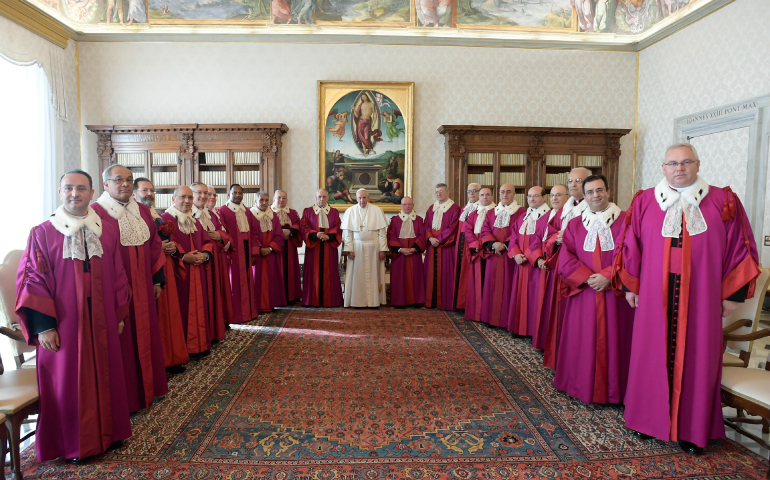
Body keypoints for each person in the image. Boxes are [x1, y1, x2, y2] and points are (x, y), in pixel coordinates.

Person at [614, 143, 760, 455]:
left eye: (686, 162)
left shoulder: (724, 200)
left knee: (698, 359)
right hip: (654, 297)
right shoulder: (644, 201)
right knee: (649, 354)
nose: (679, 168)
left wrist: (732, 295)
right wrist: (631, 285)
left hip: (702, 298)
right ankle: (645, 421)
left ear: (697, 164)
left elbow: (739, 248)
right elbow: (630, 246)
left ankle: (693, 432)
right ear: (663, 168)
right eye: (672, 163)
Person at [15, 170, 131, 463]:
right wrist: (44, 327)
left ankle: (110, 433)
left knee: (106, 372)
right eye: (68, 188)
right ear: (59, 192)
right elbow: (32, 281)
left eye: (81, 189)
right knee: (70, 381)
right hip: (64, 324)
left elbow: (118, 274)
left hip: (102, 318)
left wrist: (118, 313)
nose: (74, 194)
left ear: (92, 193)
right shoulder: (42, 232)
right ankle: (74, 445)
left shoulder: (106, 229)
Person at [92, 165, 168, 413]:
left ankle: (148, 388)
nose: (124, 184)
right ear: (105, 184)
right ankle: (127, 398)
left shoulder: (143, 212)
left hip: (144, 284)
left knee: (146, 333)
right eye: (118, 180)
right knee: (123, 342)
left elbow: (155, 245)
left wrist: (157, 280)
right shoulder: (96, 213)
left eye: (128, 180)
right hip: (116, 290)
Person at [554, 174, 633, 406]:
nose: (595, 195)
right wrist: (589, 278)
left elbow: (633, 253)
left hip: (616, 295)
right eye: (589, 192)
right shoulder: (575, 224)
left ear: (608, 191)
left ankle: (617, 391)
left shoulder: (626, 221)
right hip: (585, 293)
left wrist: (608, 276)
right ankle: (581, 385)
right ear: (583, 195)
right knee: (584, 340)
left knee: (617, 340)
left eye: (599, 190)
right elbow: (566, 258)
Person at [134, 177, 189, 372]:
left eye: (151, 190)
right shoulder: (133, 217)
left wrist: (171, 248)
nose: (149, 194)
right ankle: (159, 363)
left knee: (167, 314)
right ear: (134, 194)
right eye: (144, 190)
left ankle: (170, 357)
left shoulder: (156, 215)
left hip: (164, 269)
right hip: (147, 272)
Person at [542, 169, 590, 369]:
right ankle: (561, 356)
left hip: (584, 268)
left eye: (579, 180)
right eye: (570, 181)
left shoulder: (595, 206)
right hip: (563, 266)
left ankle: (579, 360)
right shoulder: (564, 209)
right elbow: (549, 237)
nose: (573, 184)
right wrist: (557, 239)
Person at [162, 186, 213, 355]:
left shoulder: (195, 220)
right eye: (182, 197)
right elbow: (167, 245)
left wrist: (204, 255)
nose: (187, 201)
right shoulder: (165, 220)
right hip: (179, 273)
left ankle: (199, 345)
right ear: (173, 199)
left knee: (199, 307)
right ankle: (184, 348)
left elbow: (206, 241)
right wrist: (184, 257)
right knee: (181, 310)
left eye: (190, 198)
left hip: (198, 271)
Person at [509, 186, 551, 345]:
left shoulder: (548, 217)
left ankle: (534, 331)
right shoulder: (523, 217)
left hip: (535, 265)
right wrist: (515, 254)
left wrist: (527, 255)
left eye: (535, 196)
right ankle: (520, 328)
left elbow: (542, 241)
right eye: (529, 196)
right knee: (521, 295)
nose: (531, 199)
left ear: (544, 198)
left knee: (535, 297)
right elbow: (513, 236)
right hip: (521, 263)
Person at [191, 182, 232, 342]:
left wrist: (221, 236)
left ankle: (215, 330)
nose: (206, 197)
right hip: (201, 261)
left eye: (207, 194)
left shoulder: (211, 215)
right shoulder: (190, 214)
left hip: (216, 259)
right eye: (200, 193)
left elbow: (225, 233)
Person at [479, 184, 523, 328]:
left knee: (508, 286)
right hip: (494, 255)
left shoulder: (521, 211)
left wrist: (504, 245)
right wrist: (493, 244)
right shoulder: (492, 212)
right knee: (492, 285)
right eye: (502, 192)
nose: (505, 194)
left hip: (509, 256)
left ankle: (506, 321)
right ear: (498, 194)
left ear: (514, 194)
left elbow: (518, 233)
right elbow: (485, 230)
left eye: (508, 192)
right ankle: (490, 318)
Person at [218, 184, 260, 324]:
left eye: (240, 192)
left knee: (248, 281)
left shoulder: (247, 211)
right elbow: (222, 232)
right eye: (234, 192)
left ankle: (250, 312)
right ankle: (237, 315)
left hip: (247, 252)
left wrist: (254, 250)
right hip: (234, 253)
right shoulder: (223, 211)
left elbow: (253, 232)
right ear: (229, 195)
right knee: (234, 284)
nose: (237, 195)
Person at [342, 189, 389, 307]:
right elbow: (348, 234)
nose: (361, 200)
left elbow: (382, 233)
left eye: (364, 198)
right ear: (356, 198)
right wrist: (349, 249)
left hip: (374, 247)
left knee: (374, 274)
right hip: (356, 248)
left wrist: (383, 249)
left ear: (368, 198)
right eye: (359, 198)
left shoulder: (377, 210)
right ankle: (357, 301)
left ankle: (373, 302)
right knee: (356, 275)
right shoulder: (350, 211)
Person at [301, 189, 344, 307]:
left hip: (329, 246)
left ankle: (330, 300)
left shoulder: (334, 212)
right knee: (312, 273)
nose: (322, 199)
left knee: (329, 272)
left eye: (324, 197)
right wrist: (315, 234)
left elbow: (338, 226)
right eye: (319, 197)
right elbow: (304, 226)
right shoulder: (308, 211)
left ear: (328, 198)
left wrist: (329, 236)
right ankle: (311, 300)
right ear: (316, 197)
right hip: (313, 247)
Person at [423, 184, 461, 310]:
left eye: (441, 191)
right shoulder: (431, 208)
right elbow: (426, 225)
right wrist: (430, 238)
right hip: (432, 246)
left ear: (448, 192)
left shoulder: (455, 208)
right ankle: (430, 302)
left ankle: (444, 303)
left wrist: (438, 240)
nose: (438, 194)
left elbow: (453, 227)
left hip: (445, 247)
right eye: (437, 192)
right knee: (430, 274)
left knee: (446, 274)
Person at [250, 191, 287, 312]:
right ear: (255, 201)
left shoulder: (274, 216)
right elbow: (250, 235)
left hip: (270, 254)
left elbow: (279, 235)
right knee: (256, 280)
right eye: (261, 200)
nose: (264, 203)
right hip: (257, 254)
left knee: (271, 279)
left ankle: (270, 304)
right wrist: (260, 248)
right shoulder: (250, 215)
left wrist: (270, 248)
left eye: (266, 200)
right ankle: (256, 307)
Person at [463, 187, 495, 321]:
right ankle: (476, 312)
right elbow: (468, 229)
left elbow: (493, 232)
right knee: (476, 281)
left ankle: (487, 314)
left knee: (489, 283)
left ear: (492, 196)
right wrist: (475, 245)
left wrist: (483, 244)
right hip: (476, 250)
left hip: (489, 251)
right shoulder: (473, 213)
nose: (484, 197)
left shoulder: (496, 212)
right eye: (482, 195)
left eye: (487, 195)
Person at [387, 197, 426, 307]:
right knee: (399, 277)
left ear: (413, 205)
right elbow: (391, 236)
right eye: (404, 204)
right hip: (400, 254)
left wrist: (415, 248)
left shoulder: (419, 220)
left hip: (414, 253)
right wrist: (400, 249)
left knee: (416, 276)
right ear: (401, 206)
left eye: (409, 204)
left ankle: (417, 301)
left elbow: (422, 235)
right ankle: (399, 301)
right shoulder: (394, 220)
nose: (407, 206)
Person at [272, 190, 303, 304]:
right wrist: (280, 232)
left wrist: (289, 231)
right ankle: (277, 297)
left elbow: (298, 225)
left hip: (289, 245)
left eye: (284, 198)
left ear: (287, 200)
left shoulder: (293, 213)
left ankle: (291, 296)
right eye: (279, 197)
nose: (281, 200)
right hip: (275, 246)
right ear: (274, 199)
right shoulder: (269, 212)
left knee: (290, 270)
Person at [454, 183, 480, 311]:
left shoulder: (481, 208)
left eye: (475, 191)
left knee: (469, 273)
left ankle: (468, 305)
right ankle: (460, 302)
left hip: (471, 243)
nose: (471, 193)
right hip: (460, 243)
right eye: (469, 191)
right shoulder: (464, 208)